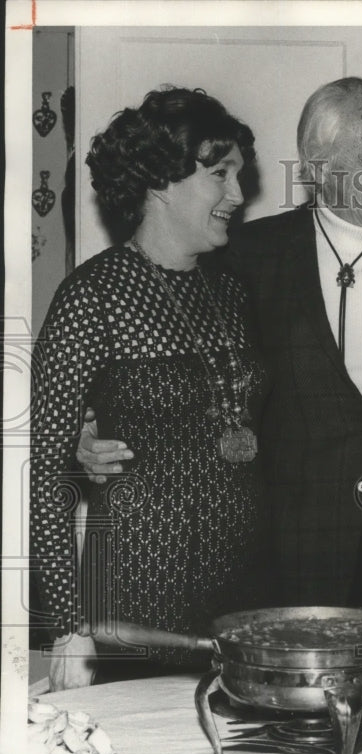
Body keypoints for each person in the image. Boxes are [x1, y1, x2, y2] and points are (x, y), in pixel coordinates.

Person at [77, 78, 362, 653]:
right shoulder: (248, 256)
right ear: (317, 168)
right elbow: (180, 373)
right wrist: (87, 432)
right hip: (289, 546)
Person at [31, 87, 264, 690]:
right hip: (130, 606)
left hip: (238, 597)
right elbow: (42, 475)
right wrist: (66, 625)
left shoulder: (232, 291)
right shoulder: (93, 296)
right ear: (161, 180)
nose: (238, 195)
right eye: (220, 175)